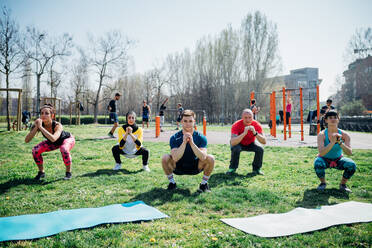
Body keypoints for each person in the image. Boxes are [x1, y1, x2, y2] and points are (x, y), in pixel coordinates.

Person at [161, 109, 215, 193]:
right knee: (165, 157)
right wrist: (184, 142)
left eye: (190, 121)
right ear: (181, 122)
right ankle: (172, 183)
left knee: (211, 158)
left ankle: (203, 185)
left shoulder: (201, 137)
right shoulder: (175, 137)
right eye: (185, 121)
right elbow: (175, 158)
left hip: (195, 166)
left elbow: (203, 157)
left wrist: (192, 143)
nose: (188, 124)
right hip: (178, 166)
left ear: (194, 122)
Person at [25, 104, 75, 180]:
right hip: (53, 143)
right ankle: (41, 172)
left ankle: (68, 173)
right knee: (35, 150)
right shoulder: (40, 124)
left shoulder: (57, 125)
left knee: (64, 149)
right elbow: (27, 140)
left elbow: (53, 138)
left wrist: (41, 127)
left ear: (52, 116)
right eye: (42, 113)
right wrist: (36, 127)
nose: (43, 115)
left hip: (66, 139)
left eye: (47, 113)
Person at [314, 110, 356, 193]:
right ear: (326, 120)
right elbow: (322, 153)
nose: (333, 119)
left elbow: (349, 153)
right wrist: (332, 142)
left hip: (338, 159)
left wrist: (340, 142)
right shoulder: (322, 134)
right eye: (330, 118)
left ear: (338, 119)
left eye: (335, 117)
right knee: (318, 163)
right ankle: (323, 183)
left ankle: (343, 185)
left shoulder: (344, 135)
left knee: (351, 165)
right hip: (324, 159)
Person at [227, 109, 266, 175]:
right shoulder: (236, 125)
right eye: (245, 118)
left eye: (250, 117)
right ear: (242, 117)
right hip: (239, 143)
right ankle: (232, 168)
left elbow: (264, 141)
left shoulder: (256, 124)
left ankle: (256, 169)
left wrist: (255, 133)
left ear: (252, 117)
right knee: (236, 148)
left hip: (251, 143)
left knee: (260, 149)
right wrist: (244, 133)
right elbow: (232, 142)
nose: (248, 120)